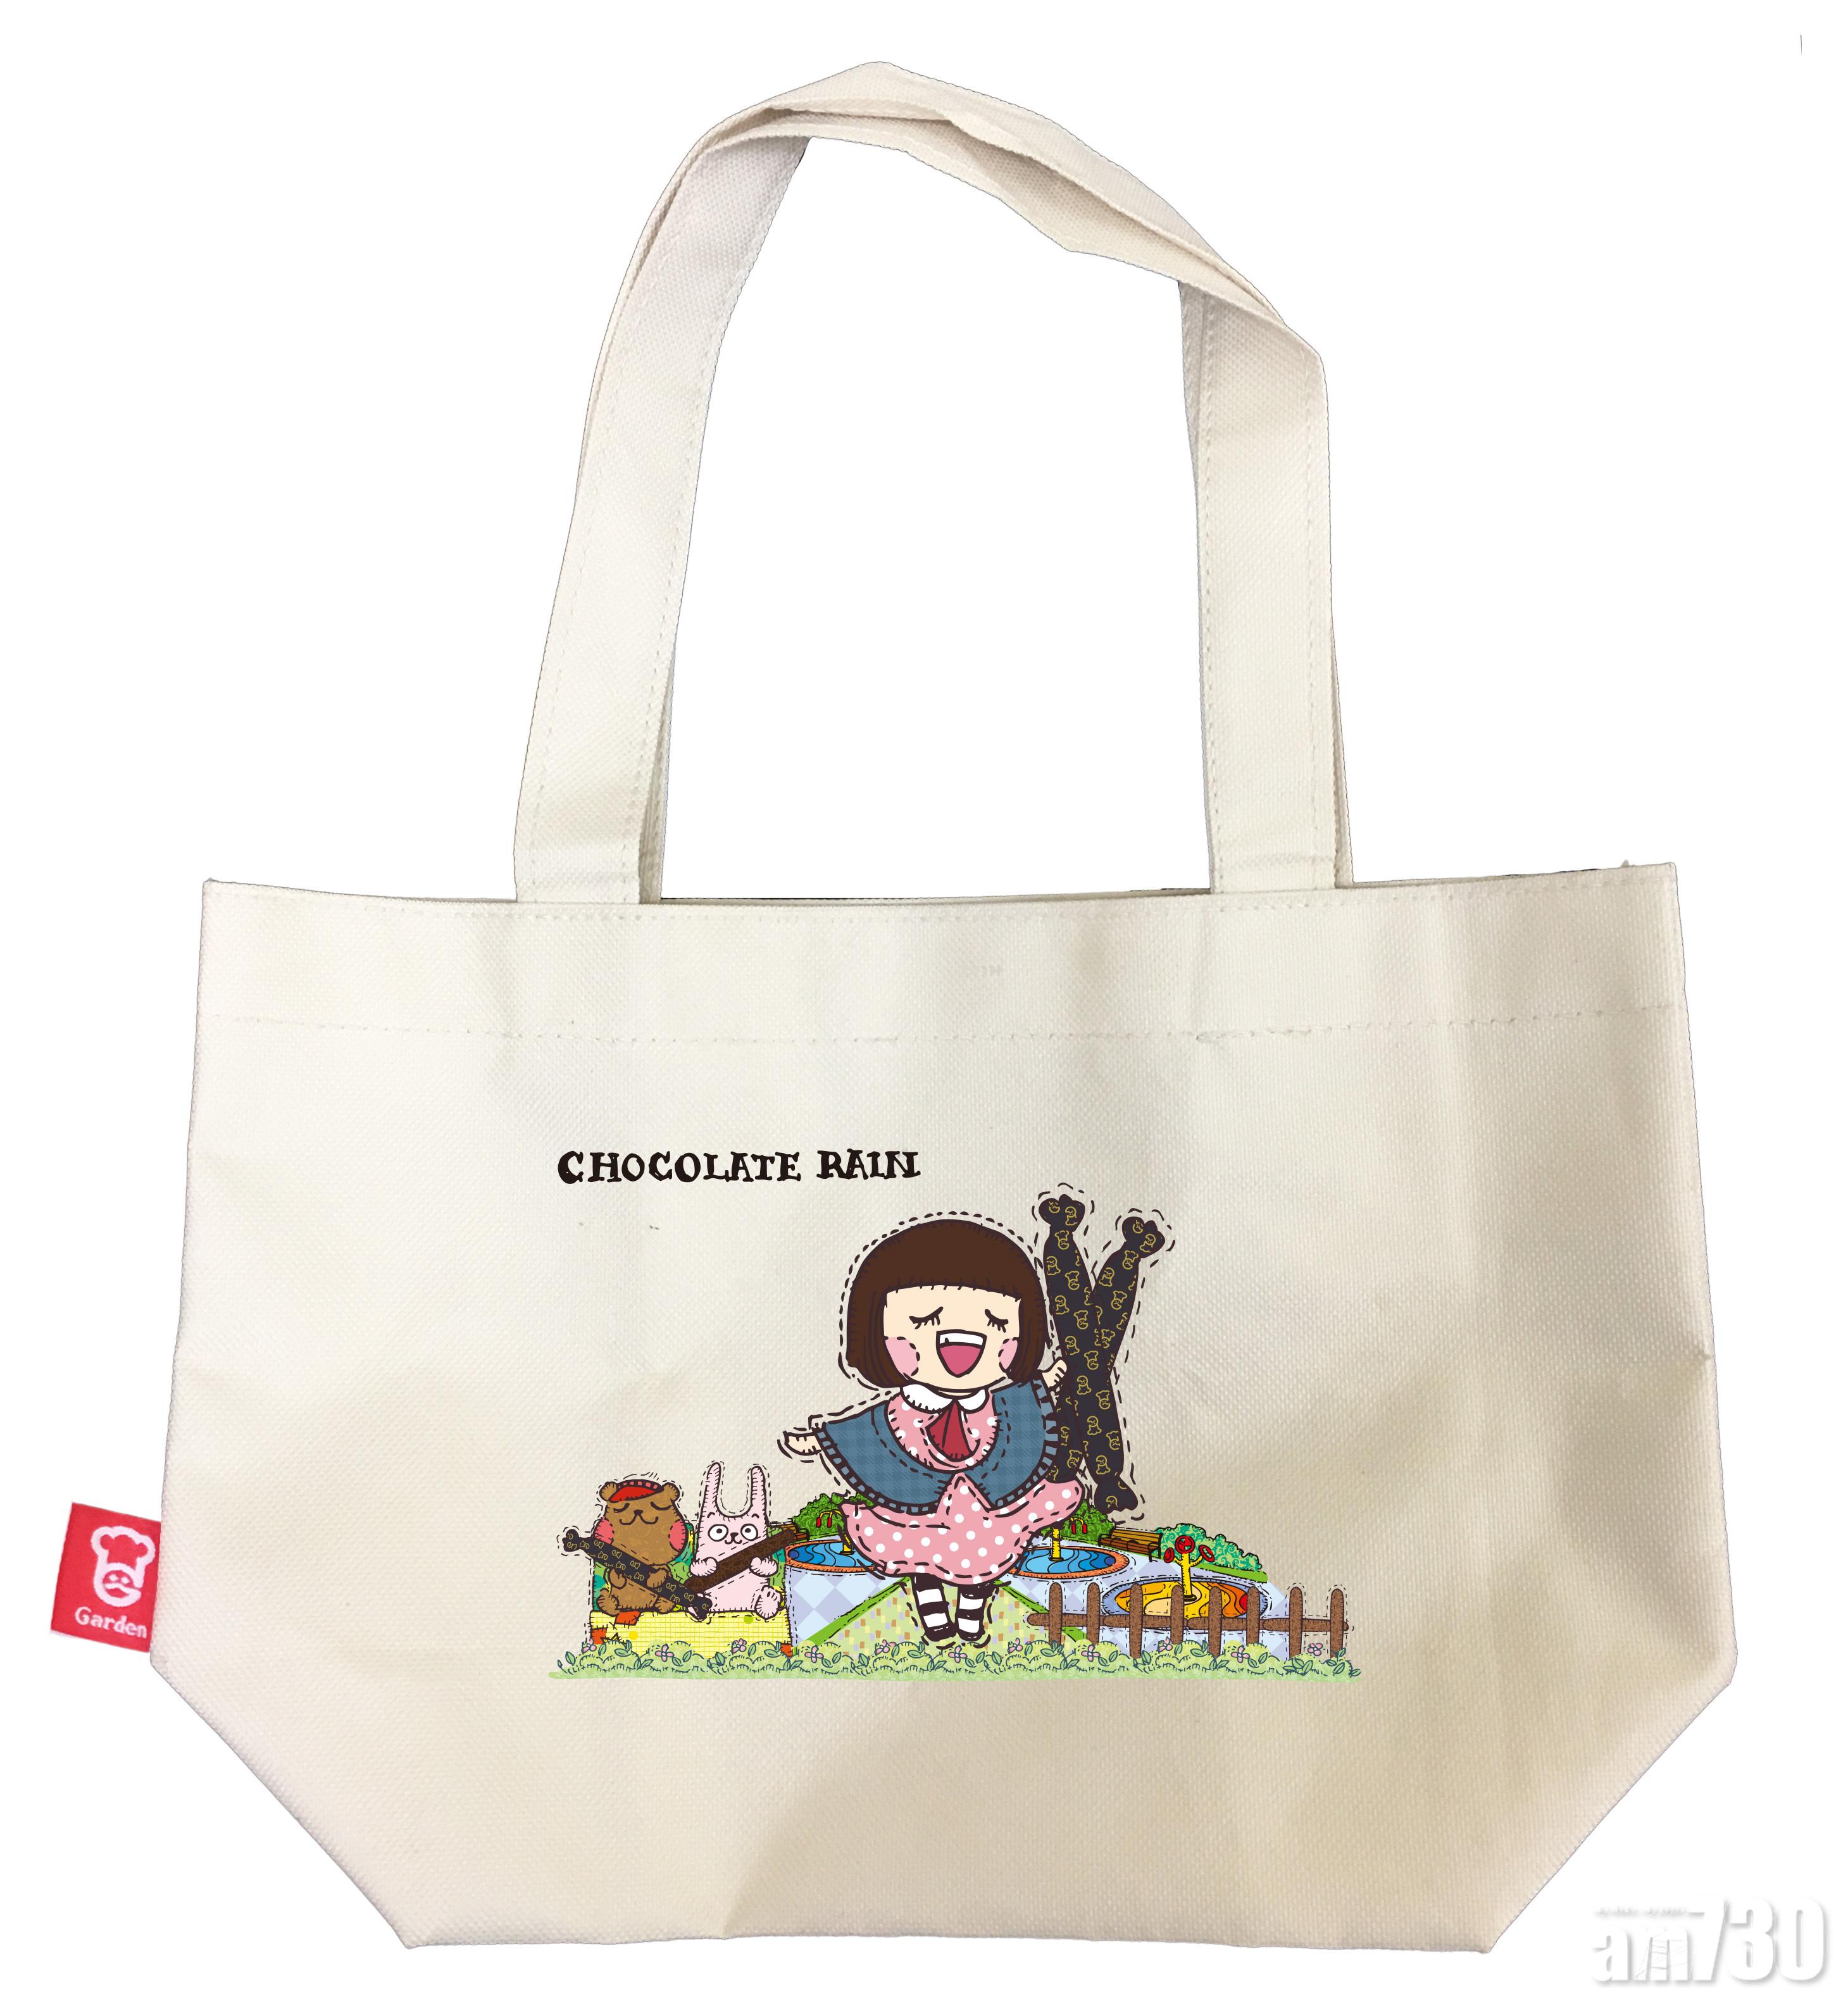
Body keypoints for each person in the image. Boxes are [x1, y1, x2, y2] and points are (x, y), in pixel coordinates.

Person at [783, 1215, 1076, 1646]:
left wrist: (1049, 1379)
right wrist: (819, 1440)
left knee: (989, 1556)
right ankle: (932, 1608)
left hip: (988, 1509)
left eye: (997, 1323)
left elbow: (1025, 1401)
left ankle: (974, 1612)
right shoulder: (898, 1412)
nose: (962, 1341)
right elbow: (866, 1432)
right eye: (923, 1320)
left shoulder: (1004, 1404)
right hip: (918, 1506)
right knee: (919, 1556)